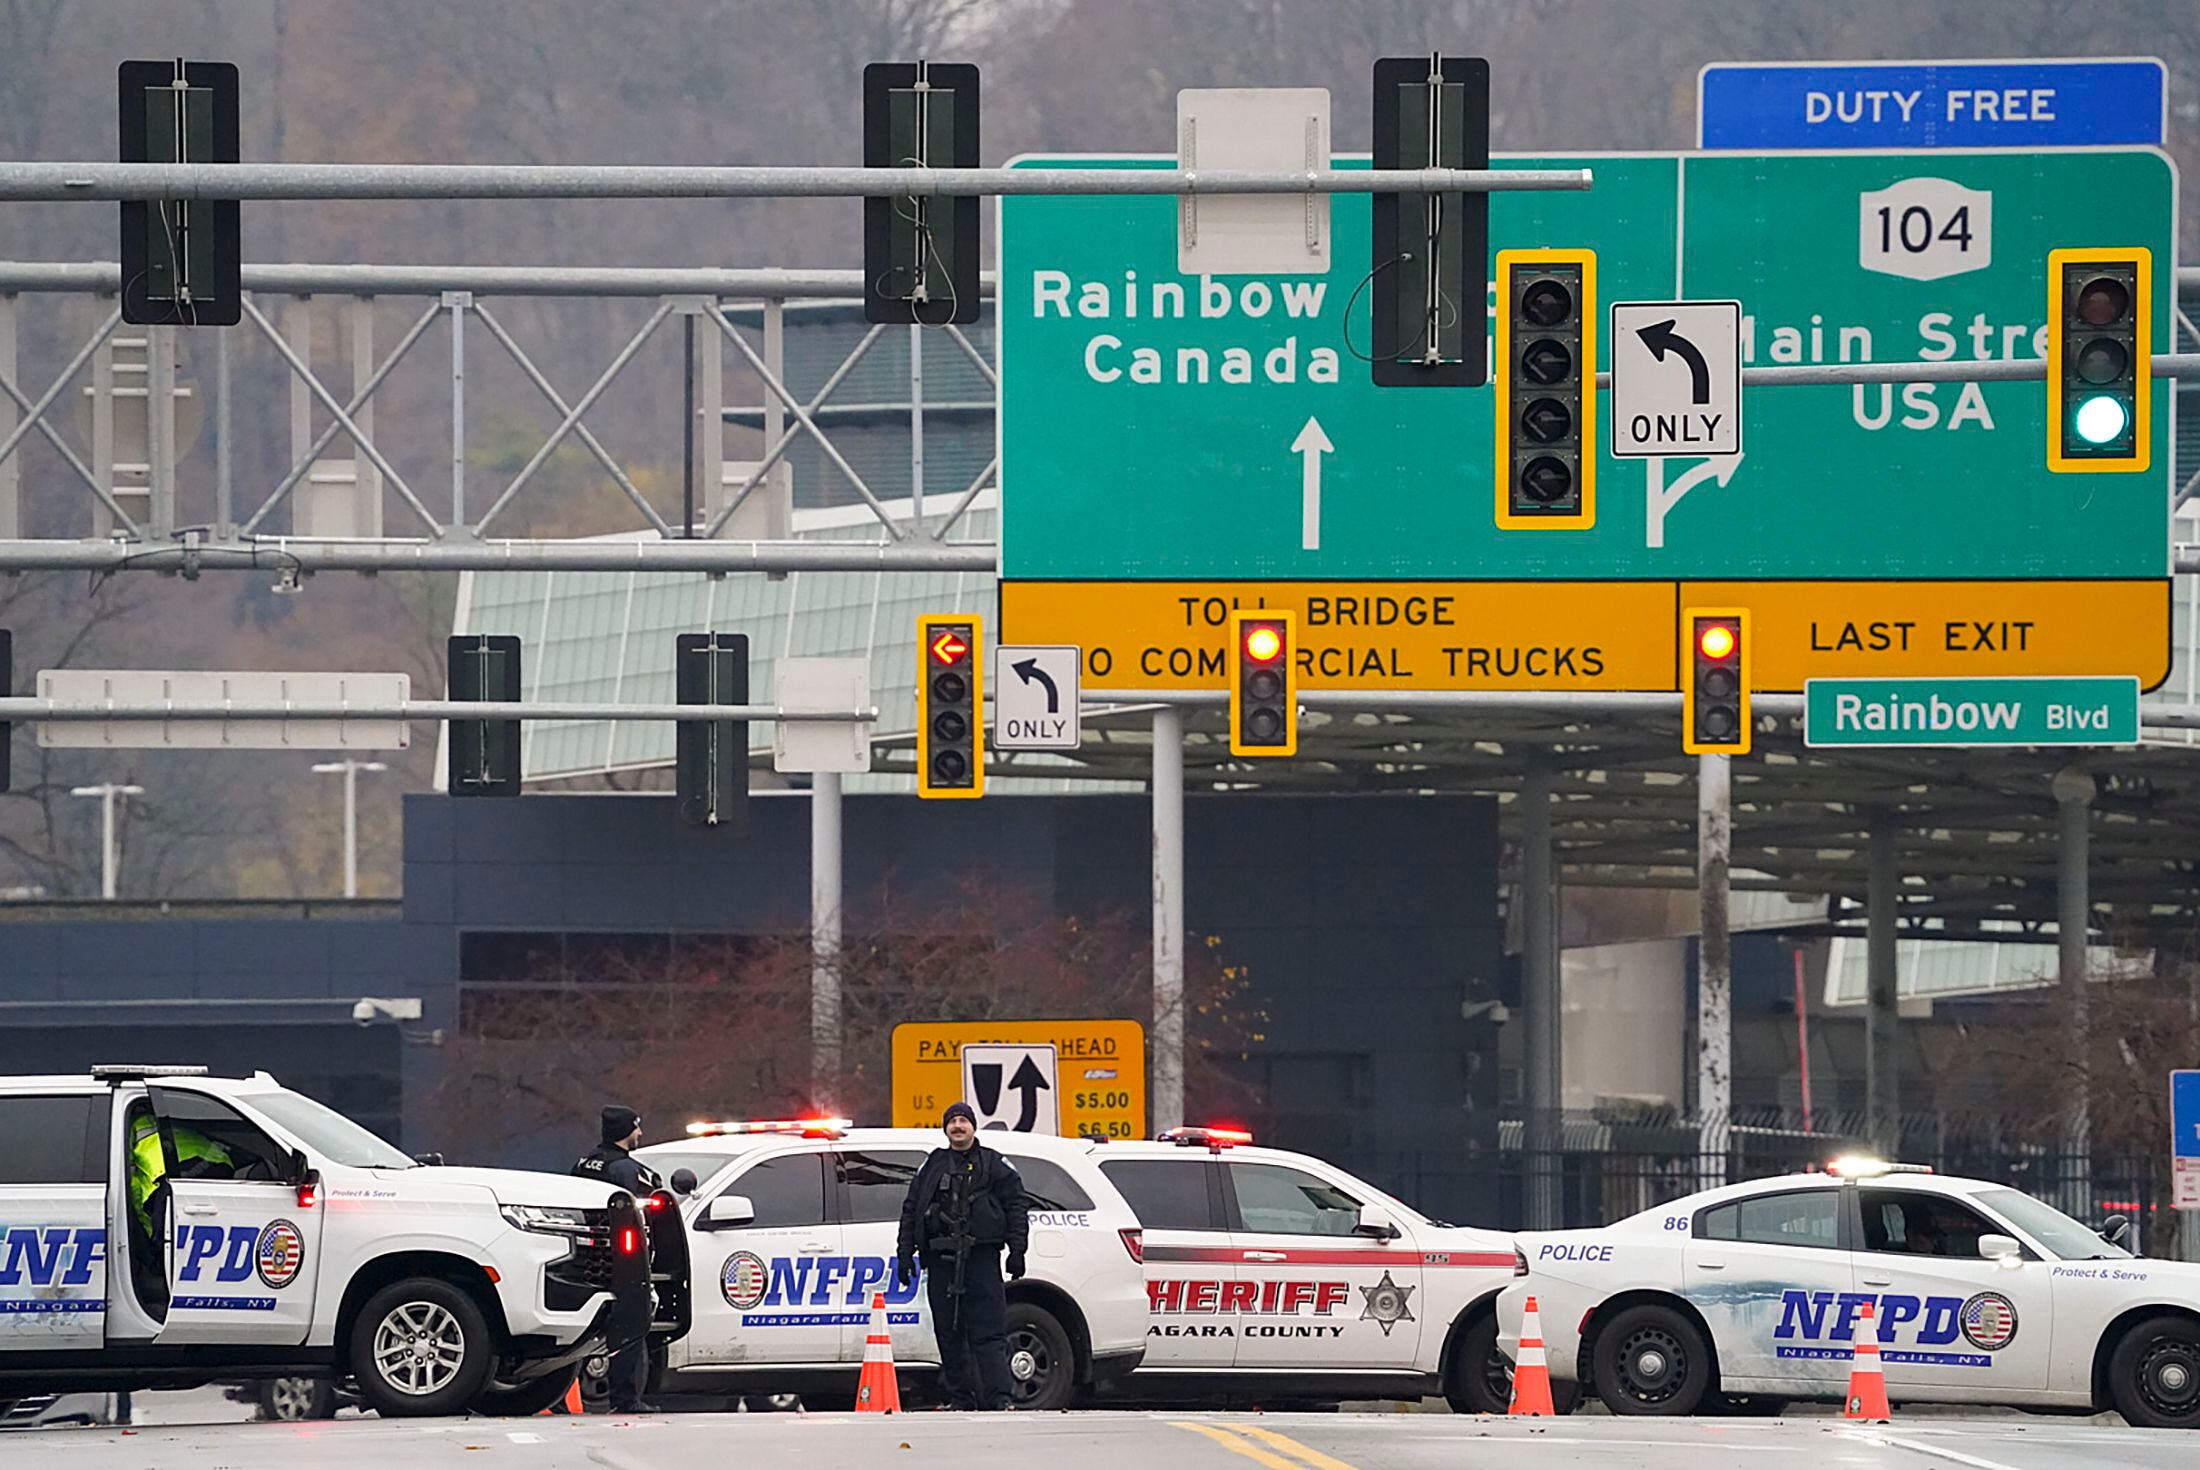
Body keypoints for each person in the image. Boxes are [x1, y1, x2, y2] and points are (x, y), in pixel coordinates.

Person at [896, 1102, 1030, 1411]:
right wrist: (905, 1252)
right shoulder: (933, 1165)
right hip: (941, 1259)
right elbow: (911, 1209)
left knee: (989, 1332)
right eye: (952, 1121)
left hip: (981, 1258)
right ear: (945, 1128)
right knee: (949, 1332)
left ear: (973, 1126)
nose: (958, 1126)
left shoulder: (993, 1163)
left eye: (963, 1120)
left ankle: (1000, 1399)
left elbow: (1017, 1205)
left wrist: (1017, 1250)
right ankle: (961, 1398)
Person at [572, 1105, 662, 1414]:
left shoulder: (585, 1162)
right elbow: (636, 1210)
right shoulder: (627, 1170)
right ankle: (627, 1400)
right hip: (623, 1259)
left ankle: (561, 1399)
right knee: (631, 1326)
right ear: (626, 1131)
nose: (640, 1134)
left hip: (586, 1256)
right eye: (637, 1128)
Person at [125, 1110, 234, 1308]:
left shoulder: (129, 1122)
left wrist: (149, 1249)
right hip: (218, 1166)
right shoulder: (174, 1106)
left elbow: (126, 1182)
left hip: (177, 1176)